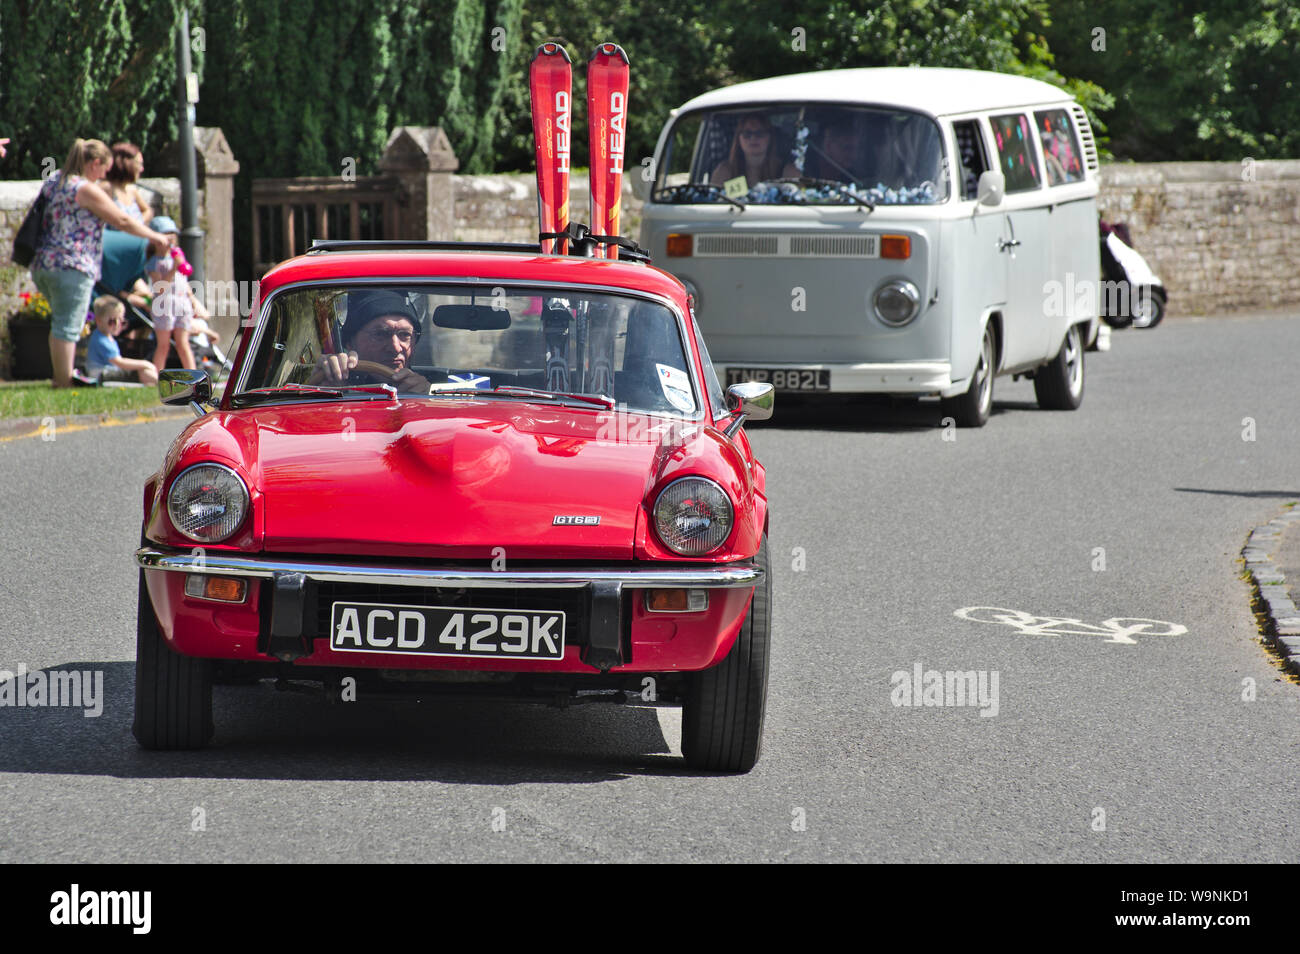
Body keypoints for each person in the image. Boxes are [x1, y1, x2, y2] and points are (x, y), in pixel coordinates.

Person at [29, 138, 172, 388]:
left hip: (44, 265)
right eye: (104, 168)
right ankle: (63, 384)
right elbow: (122, 221)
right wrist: (155, 236)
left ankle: (59, 378)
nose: (106, 174)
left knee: (60, 324)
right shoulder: (85, 189)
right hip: (72, 265)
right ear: (95, 163)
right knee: (68, 327)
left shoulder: (55, 180)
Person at [308, 290, 432, 392]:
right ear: (350, 342)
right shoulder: (336, 382)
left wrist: (427, 397)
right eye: (380, 334)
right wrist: (324, 390)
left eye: (405, 335)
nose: (395, 348)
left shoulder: (440, 390)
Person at [84, 296, 158, 384]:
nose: (117, 326)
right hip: (100, 375)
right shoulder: (101, 340)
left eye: (121, 322)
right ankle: (161, 384)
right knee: (142, 370)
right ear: (98, 321)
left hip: (106, 373)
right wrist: (145, 364)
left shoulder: (107, 337)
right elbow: (120, 362)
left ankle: (161, 384)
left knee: (142, 370)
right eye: (112, 321)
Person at [145, 251, 198, 372]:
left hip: (181, 302)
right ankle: (157, 376)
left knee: (183, 344)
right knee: (163, 345)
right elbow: (161, 287)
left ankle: (194, 376)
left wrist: (192, 300)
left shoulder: (179, 257)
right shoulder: (155, 262)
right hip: (164, 304)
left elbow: (184, 282)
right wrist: (174, 268)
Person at [710, 114, 793, 189]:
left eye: (759, 133)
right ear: (738, 139)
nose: (753, 138)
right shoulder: (724, 171)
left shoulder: (787, 172)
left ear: (770, 137)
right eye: (747, 133)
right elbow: (712, 200)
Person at [103, 142, 153, 223]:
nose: (141, 169)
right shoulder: (107, 188)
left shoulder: (131, 189)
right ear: (126, 163)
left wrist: (138, 223)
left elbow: (147, 210)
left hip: (134, 233)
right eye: (139, 164)